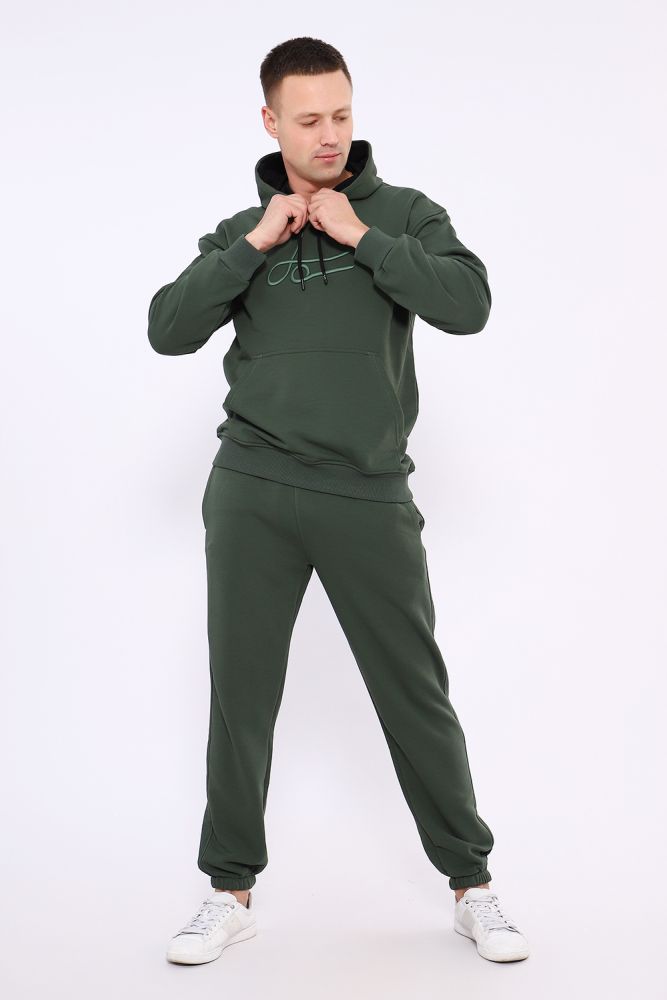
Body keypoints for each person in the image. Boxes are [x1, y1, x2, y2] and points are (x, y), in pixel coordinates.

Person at [148, 36, 529, 966]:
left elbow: (468, 304)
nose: (330, 135)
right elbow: (167, 329)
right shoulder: (242, 230)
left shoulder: (403, 213)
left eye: (343, 115)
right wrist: (254, 243)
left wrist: (363, 237)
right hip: (252, 488)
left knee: (413, 693)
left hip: (366, 493)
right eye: (309, 119)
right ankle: (228, 891)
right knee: (241, 697)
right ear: (270, 121)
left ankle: (472, 886)